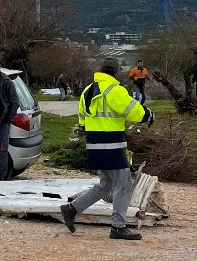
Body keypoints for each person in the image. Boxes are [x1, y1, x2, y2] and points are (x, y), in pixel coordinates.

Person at [60, 59, 149, 240]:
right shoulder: (114, 90)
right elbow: (134, 112)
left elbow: (82, 119)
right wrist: (148, 114)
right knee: (123, 185)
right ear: (116, 72)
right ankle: (118, 227)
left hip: (94, 144)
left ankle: (72, 208)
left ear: (101, 70)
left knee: (106, 184)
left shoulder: (87, 90)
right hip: (112, 145)